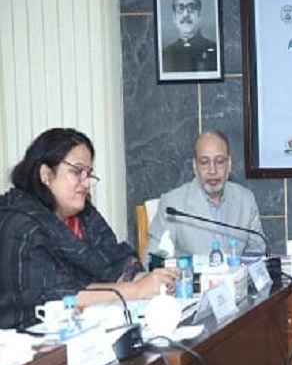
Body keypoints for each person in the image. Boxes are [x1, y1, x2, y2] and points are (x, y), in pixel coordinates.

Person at [0, 128, 176, 329]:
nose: (85, 184)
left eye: (88, 174)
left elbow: (117, 262)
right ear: (46, 174)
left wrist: (152, 280)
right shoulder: (17, 226)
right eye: (76, 172)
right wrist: (137, 290)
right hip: (30, 339)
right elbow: (58, 296)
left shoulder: (85, 215)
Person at [145, 130, 265, 263]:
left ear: (229, 164)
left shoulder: (246, 200)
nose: (212, 171)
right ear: (195, 167)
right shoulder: (173, 205)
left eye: (219, 161)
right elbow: (152, 260)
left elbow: (258, 256)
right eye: (204, 162)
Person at [162, 0, 217, 72]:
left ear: (199, 15)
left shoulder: (214, 50)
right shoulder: (166, 54)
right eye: (181, 8)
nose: (186, 14)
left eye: (191, 8)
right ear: (174, 18)